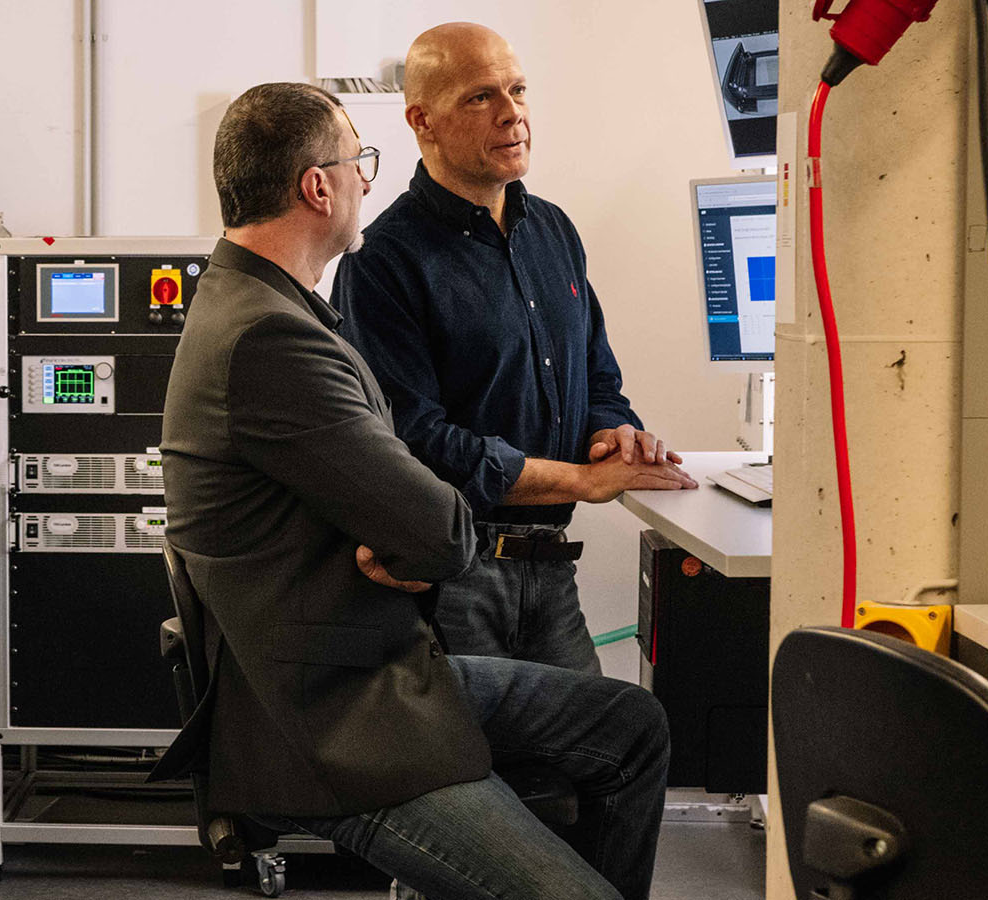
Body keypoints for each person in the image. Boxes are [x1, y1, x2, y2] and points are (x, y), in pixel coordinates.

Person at [152, 81, 667, 900]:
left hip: (377, 664)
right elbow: (440, 529)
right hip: (339, 721)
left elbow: (401, 496)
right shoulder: (270, 337)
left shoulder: (269, 306)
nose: (367, 179)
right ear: (316, 188)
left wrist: (399, 530)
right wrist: (411, 534)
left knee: (631, 725)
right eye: (359, 162)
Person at [338, 23, 697, 674]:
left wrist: (612, 434)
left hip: (553, 573)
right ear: (423, 120)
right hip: (456, 577)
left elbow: (596, 378)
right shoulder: (383, 261)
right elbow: (416, 444)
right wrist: (582, 481)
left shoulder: (552, 230)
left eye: (519, 90)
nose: (513, 114)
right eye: (481, 97)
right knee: (488, 768)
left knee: (607, 750)